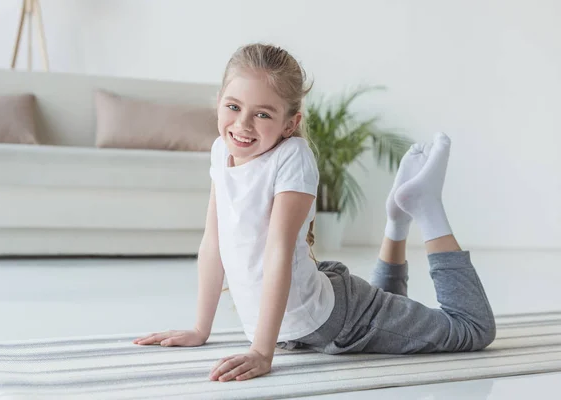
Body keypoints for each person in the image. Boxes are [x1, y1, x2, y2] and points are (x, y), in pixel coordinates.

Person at [133, 43, 496, 383]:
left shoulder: (292, 158)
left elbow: (277, 250)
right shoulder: (219, 151)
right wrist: (201, 328)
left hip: (334, 318)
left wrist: (262, 351)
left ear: (289, 124)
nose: (243, 124)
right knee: (391, 310)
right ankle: (398, 218)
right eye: (233, 106)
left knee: (470, 329)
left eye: (262, 114)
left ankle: (426, 207)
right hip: (303, 311)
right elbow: (214, 241)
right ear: (218, 103)